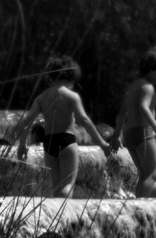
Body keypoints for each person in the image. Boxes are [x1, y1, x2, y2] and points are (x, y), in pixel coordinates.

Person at [16, 56, 111, 198]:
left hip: (49, 143)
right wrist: (102, 143)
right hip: (67, 140)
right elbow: (84, 120)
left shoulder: (41, 97)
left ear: (51, 77)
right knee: (68, 184)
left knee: (56, 186)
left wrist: (22, 144)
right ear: (72, 78)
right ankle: (65, 213)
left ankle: (57, 216)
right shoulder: (72, 96)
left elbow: (28, 121)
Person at [110, 47, 156, 198]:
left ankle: (137, 203)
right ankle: (139, 205)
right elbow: (143, 108)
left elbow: (121, 113)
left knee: (144, 173)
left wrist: (116, 135)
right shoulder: (148, 87)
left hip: (129, 134)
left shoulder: (134, 86)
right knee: (153, 174)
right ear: (152, 69)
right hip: (142, 133)